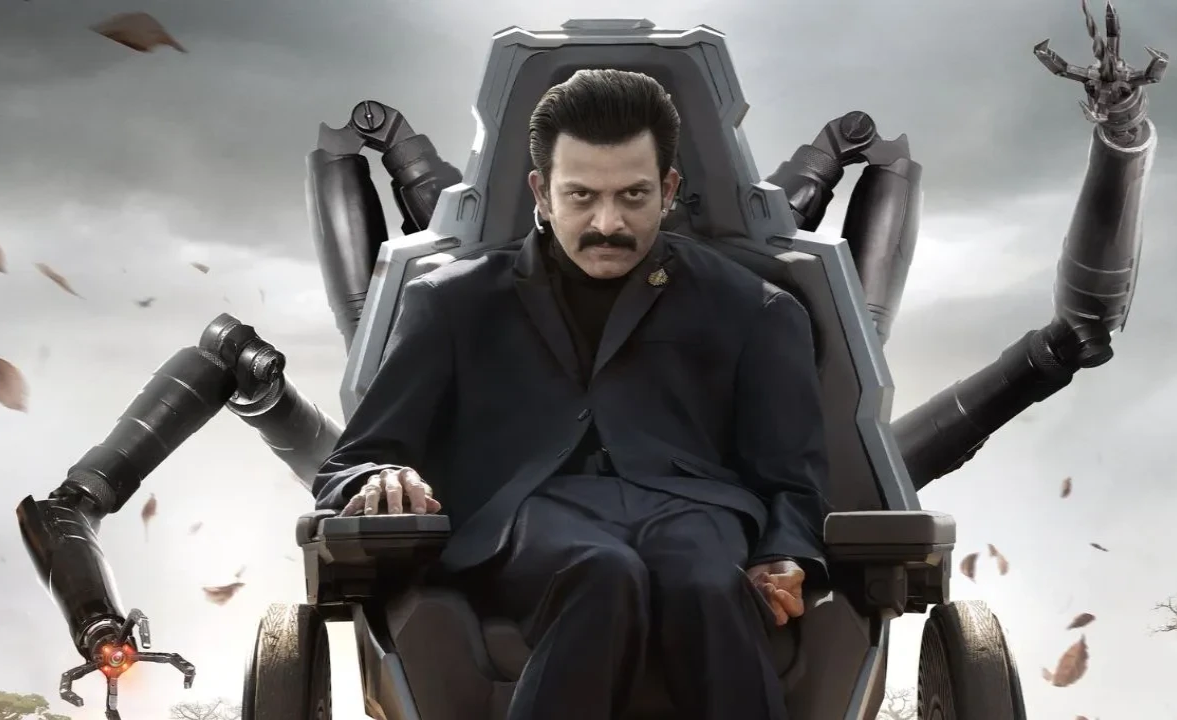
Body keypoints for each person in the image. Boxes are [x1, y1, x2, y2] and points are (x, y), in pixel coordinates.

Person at [313, 68, 830, 720]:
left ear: (669, 189)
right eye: (581, 196)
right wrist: (379, 475)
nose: (607, 223)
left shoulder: (757, 310)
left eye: (633, 195)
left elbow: (792, 478)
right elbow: (353, 460)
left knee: (704, 583)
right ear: (542, 191)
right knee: (603, 571)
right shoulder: (451, 303)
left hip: (698, 511)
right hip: (527, 514)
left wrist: (785, 552)